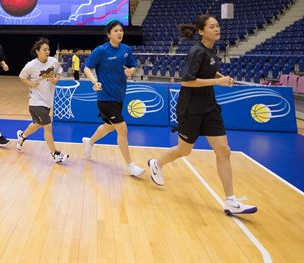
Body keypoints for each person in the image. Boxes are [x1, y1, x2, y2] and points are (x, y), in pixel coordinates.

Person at [147, 15, 257, 216]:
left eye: (218, 25)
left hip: (210, 107)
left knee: (223, 150)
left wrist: (220, 77)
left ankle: (230, 200)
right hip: (191, 108)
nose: (217, 29)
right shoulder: (196, 51)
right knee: (184, 150)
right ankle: (157, 164)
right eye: (212, 26)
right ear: (201, 31)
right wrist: (217, 82)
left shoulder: (212, 50)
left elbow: (208, 71)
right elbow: (186, 81)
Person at [81, 21, 146, 177]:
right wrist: (94, 82)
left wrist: (131, 70)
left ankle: (89, 142)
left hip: (119, 96)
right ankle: (130, 165)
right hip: (105, 96)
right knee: (122, 128)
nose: (120, 33)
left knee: (109, 126)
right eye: (116, 30)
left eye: (121, 30)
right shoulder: (101, 51)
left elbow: (132, 65)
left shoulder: (126, 50)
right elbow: (87, 67)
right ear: (109, 34)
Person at [16, 38, 69, 163]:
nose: (47, 52)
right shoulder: (31, 65)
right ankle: (55, 154)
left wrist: (57, 78)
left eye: (48, 49)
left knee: (38, 124)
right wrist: (30, 83)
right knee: (48, 127)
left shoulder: (53, 61)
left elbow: (59, 71)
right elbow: (21, 77)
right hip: (36, 101)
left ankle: (22, 136)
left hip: (47, 100)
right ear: (37, 51)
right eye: (44, 50)